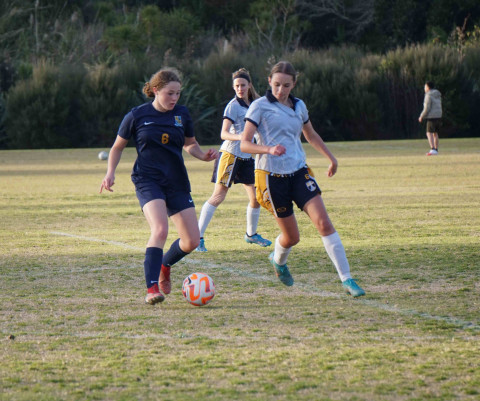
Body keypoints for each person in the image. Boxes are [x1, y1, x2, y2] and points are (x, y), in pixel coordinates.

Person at [240, 61, 365, 297]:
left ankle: (347, 279)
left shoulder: (299, 106)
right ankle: (278, 261)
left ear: (294, 84)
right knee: (292, 238)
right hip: (271, 178)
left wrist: (331, 157)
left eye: (286, 85)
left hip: (299, 172)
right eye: (276, 84)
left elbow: (310, 134)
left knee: (324, 223)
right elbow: (245, 144)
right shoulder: (259, 106)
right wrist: (268, 149)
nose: (280, 90)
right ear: (269, 81)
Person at [100, 68, 218, 305]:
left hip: (176, 181)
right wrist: (110, 172)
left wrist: (202, 155)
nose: (174, 98)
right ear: (155, 90)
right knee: (160, 230)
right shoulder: (137, 115)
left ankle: (165, 264)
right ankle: (152, 288)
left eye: (177, 94)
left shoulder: (182, 115)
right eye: (169, 93)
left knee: (192, 241)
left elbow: (190, 144)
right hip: (148, 180)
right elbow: (117, 147)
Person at [196, 68, 271, 252]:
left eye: (243, 85)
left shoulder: (256, 103)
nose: (240, 88)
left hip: (246, 157)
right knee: (218, 196)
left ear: (249, 85)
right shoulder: (232, 106)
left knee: (256, 198)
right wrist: (242, 137)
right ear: (233, 87)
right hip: (230, 155)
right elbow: (223, 133)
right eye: (236, 85)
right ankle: (197, 238)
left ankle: (251, 235)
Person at [418, 81, 442, 156]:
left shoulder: (428, 95)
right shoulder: (437, 94)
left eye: (425, 87)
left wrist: (421, 116)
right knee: (435, 133)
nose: (424, 88)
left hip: (431, 116)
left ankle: (432, 149)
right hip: (438, 115)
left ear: (428, 87)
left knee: (429, 133)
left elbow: (427, 108)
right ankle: (436, 149)